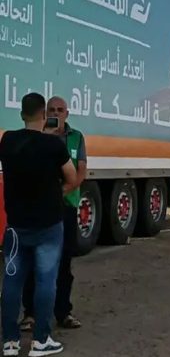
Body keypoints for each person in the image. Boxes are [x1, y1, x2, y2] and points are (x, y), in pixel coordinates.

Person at [0, 93, 78, 357]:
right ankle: (40, 341)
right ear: (45, 115)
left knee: (12, 282)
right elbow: (72, 178)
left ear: (22, 114)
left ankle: (10, 342)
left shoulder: (7, 140)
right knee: (46, 281)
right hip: (48, 226)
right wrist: (55, 194)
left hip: (16, 226)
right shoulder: (54, 145)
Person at [21, 97, 86, 333]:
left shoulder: (76, 137)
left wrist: (60, 193)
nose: (55, 114)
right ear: (44, 113)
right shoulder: (37, 136)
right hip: (40, 209)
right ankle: (30, 314)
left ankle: (63, 312)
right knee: (33, 262)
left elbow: (80, 171)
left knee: (64, 263)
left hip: (65, 206)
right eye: (51, 110)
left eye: (60, 110)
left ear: (67, 114)